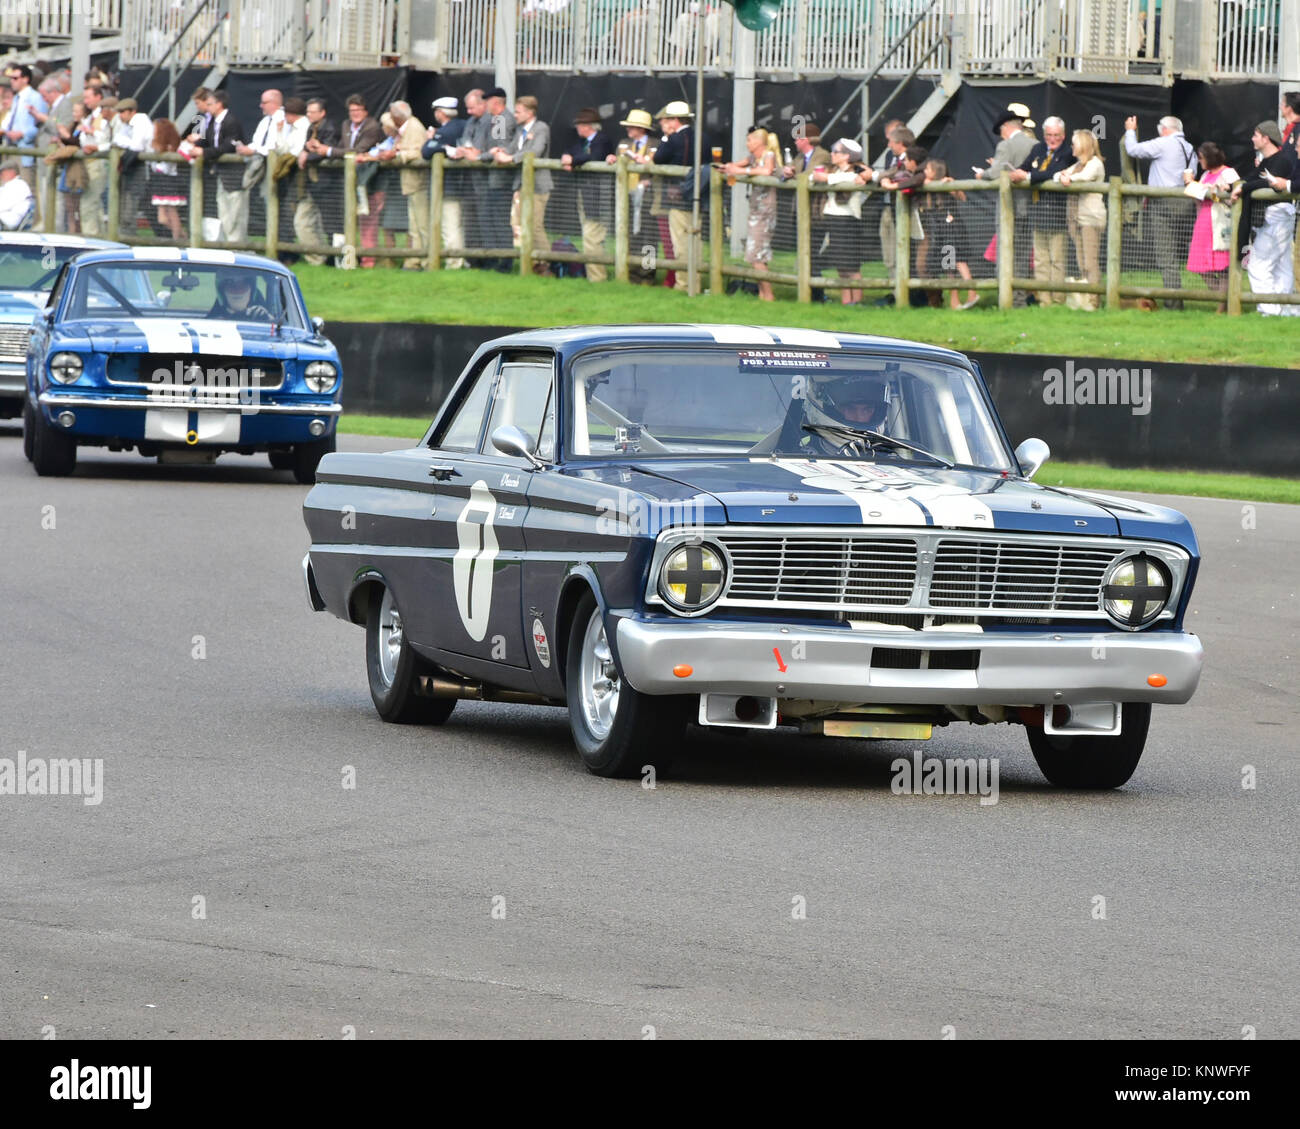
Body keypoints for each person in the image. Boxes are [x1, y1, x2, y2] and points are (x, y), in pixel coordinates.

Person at [1123, 114, 1197, 308]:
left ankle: (1173, 304)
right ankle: (1219, 295)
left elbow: (1133, 150)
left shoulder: (1164, 143)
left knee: (1167, 257)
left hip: (1163, 203)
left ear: (1164, 129)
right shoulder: (1190, 149)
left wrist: (1130, 131)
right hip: (1186, 202)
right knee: (1193, 253)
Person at [1231, 120, 1297, 316]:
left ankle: (1269, 309)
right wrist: (1232, 187)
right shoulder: (1268, 161)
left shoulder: (1282, 160)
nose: (1252, 138)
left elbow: (1268, 184)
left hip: (1276, 217)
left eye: (1255, 135)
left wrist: (1243, 188)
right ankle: (1285, 309)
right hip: (1273, 218)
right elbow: (1252, 180)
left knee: (1259, 264)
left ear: (1266, 138)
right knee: (1281, 265)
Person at [1011, 116, 1072, 305]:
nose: (1052, 139)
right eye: (1049, 135)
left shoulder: (1068, 152)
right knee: (1040, 260)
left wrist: (1028, 176)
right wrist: (1018, 173)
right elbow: (1025, 167)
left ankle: (1058, 299)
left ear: (1063, 136)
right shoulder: (1037, 149)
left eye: (1056, 135)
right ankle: (1044, 301)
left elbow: (1052, 172)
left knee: (1057, 260)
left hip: (1058, 214)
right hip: (1038, 212)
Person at [977, 108, 1036, 305]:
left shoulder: (1005, 145)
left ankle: (1007, 297)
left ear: (1005, 127)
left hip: (1009, 207)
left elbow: (995, 172)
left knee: (1006, 253)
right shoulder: (1036, 145)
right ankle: (1021, 297)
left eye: (1001, 130)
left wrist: (981, 174)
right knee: (1023, 254)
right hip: (1031, 208)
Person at [493, 95, 552, 275]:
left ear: (529, 112)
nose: (515, 115)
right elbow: (512, 148)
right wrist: (499, 151)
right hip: (520, 185)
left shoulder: (541, 128)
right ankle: (531, 264)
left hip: (537, 186)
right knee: (519, 226)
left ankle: (547, 263)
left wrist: (510, 158)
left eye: (518, 111)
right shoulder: (520, 131)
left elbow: (535, 151)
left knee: (535, 226)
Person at [461, 87, 516, 271]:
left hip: (499, 180)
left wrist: (477, 157)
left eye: (488, 101)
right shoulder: (494, 120)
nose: (486, 105)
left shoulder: (500, 120)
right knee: (491, 220)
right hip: (493, 180)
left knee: (499, 221)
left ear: (495, 102)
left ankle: (504, 261)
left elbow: (498, 150)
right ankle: (495, 259)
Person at [723, 126, 780, 300]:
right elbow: (735, 165)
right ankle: (763, 294)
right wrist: (727, 168)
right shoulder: (752, 158)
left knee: (757, 254)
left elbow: (767, 171)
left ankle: (768, 295)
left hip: (765, 211)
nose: (747, 143)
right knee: (756, 254)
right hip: (755, 209)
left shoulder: (768, 156)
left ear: (758, 142)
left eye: (749, 140)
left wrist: (741, 172)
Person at [647, 100, 698, 292]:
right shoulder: (700, 137)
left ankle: (681, 282)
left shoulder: (673, 139)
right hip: (698, 196)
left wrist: (666, 139)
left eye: (665, 120)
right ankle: (692, 281)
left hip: (676, 196)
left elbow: (658, 158)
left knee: (679, 242)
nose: (662, 124)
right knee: (693, 241)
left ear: (674, 120)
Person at [561, 108, 615, 282]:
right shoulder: (581, 142)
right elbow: (572, 151)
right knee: (588, 235)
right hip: (584, 195)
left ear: (588, 126)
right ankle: (594, 275)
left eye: (580, 124)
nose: (577, 128)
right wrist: (568, 157)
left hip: (598, 197)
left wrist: (574, 161)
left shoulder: (602, 140)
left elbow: (596, 156)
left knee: (593, 236)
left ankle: (597, 277)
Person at [916, 158, 978, 310]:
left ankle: (972, 292)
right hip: (940, 232)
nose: (925, 172)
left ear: (936, 171)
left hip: (952, 230)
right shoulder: (925, 184)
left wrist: (953, 186)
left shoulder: (947, 183)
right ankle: (954, 301)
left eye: (928, 169)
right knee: (948, 266)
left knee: (958, 261)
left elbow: (962, 197)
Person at [1055, 128, 1106, 311]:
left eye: (1074, 144)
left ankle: (1093, 301)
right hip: (1075, 219)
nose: (1071, 147)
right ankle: (1084, 299)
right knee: (1081, 261)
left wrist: (1068, 178)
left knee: (1090, 261)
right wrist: (1064, 176)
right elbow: (1058, 175)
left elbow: (1084, 178)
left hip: (1090, 218)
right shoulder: (1077, 165)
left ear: (1083, 145)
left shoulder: (1095, 163)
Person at [607, 108, 658, 284]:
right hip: (626, 198)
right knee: (629, 236)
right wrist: (612, 159)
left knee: (648, 238)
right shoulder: (623, 144)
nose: (628, 130)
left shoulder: (655, 145)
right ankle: (631, 273)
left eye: (632, 126)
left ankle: (648, 275)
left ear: (642, 129)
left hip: (648, 199)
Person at [1181, 142, 1237, 303]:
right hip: (1204, 222)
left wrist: (1218, 192)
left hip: (1221, 222)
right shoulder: (1205, 175)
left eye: (1201, 158)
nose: (1200, 161)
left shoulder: (1229, 173)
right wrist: (1190, 185)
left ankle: (1223, 303)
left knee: (1223, 266)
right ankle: (1220, 296)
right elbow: (1200, 199)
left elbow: (1231, 197)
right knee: (1202, 266)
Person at [812, 138, 866, 304]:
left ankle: (856, 301)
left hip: (848, 221)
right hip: (833, 219)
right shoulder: (834, 171)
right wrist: (822, 177)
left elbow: (852, 178)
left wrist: (826, 178)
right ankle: (845, 301)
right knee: (840, 265)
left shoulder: (857, 171)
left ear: (846, 156)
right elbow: (814, 178)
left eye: (836, 152)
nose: (832, 154)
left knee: (851, 266)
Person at [858, 121, 905, 301]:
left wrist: (876, 175)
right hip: (886, 207)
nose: (888, 143)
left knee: (900, 249)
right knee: (888, 251)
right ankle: (893, 289)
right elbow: (887, 173)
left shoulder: (911, 154)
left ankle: (903, 292)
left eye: (891, 138)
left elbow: (896, 172)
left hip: (901, 209)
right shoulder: (888, 155)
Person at [193, 89, 247, 243]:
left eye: (210, 104)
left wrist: (204, 152)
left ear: (219, 104)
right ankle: (227, 243)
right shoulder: (211, 121)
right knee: (224, 210)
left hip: (234, 174)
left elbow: (228, 146)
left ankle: (237, 246)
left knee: (236, 212)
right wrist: (194, 146)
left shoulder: (231, 121)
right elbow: (206, 140)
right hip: (220, 174)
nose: (207, 107)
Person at [421, 96, 467, 269]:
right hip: (464, 185)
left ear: (441, 113)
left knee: (450, 226)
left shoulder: (445, 132)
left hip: (448, 186)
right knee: (460, 225)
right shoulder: (464, 125)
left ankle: (454, 261)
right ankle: (463, 258)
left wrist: (433, 140)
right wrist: (447, 148)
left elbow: (426, 151)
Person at [797, 375, 891, 457]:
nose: (859, 418)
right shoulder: (797, 458)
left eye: (867, 410)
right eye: (850, 409)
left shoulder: (894, 458)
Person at [1, 65, 48, 225]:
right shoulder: (16, 98)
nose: (12, 82)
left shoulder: (35, 97)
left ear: (25, 79)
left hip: (26, 149)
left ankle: (33, 223)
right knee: (9, 185)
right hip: (12, 146)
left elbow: (41, 126)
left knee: (27, 186)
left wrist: (23, 133)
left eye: (15, 78)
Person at [295, 98, 339, 264]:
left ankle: (338, 260)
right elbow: (310, 148)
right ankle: (319, 257)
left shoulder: (330, 128)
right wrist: (307, 150)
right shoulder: (311, 128)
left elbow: (325, 151)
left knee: (333, 225)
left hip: (329, 185)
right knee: (303, 222)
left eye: (312, 111)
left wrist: (308, 155)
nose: (309, 114)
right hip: (313, 184)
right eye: (307, 111)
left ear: (322, 113)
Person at [452, 88, 491, 263]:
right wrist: (463, 151)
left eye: (472, 108)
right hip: (469, 180)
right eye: (467, 108)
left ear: (483, 104)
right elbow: (466, 141)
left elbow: (498, 147)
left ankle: (492, 259)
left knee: (487, 220)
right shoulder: (470, 122)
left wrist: (477, 153)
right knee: (470, 221)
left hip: (488, 181)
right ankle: (472, 260)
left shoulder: (497, 122)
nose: (468, 112)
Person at [389, 101, 429, 269]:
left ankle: (428, 260)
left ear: (397, 116)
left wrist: (398, 155)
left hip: (418, 182)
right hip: (410, 182)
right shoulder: (406, 128)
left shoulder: (415, 128)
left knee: (423, 225)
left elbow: (419, 151)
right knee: (414, 226)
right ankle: (415, 260)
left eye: (392, 115)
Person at [110, 97, 152, 235]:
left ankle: (129, 239)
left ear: (132, 111)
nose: (120, 115)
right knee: (125, 208)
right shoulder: (127, 125)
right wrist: (126, 142)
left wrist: (125, 143)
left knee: (131, 209)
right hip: (133, 169)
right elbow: (116, 140)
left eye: (123, 112)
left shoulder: (140, 121)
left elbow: (136, 146)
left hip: (144, 169)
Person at [77, 82, 112, 236]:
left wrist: (92, 135)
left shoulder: (103, 117)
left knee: (89, 203)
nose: (85, 101)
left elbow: (105, 140)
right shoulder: (90, 117)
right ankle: (99, 236)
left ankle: (90, 237)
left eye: (88, 97)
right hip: (88, 162)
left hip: (97, 162)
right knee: (95, 205)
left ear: (98, 97)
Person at [148, 118, 186, 241]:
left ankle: (178, 239)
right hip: (159, 181)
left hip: (169, 181)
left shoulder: (170, 147)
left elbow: (166, 167)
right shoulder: (155, 145)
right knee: (162, 218)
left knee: (171, 212)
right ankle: (183, 236)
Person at [0, 157, 36, 230]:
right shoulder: (11, 185)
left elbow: (3, 205)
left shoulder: (18, 185)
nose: (0, 176)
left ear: (11, 172)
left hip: (9, 221)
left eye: (2, 172)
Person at [1279, 92, 1299, 163]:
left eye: (1282, 104)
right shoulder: (1289, 128)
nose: (1280, 107)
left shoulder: (1297, 129)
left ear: (1289, 108)